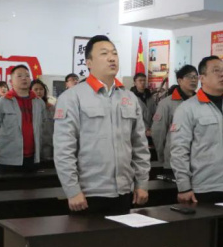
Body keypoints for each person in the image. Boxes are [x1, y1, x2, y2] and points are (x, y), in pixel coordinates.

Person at [53, 35, 150, 215]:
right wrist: (72, 190)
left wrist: (142, 183)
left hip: (124, 191)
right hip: (87, 194)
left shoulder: (129, 97)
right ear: (89, 62)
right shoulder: (72, 97)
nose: (112, 58)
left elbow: (140, 145)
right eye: (104, 54)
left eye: (114, 53)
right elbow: (64, 149)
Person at [170, 56, 223, 203]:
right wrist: (184, 187)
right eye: (216, 71)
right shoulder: (187, 109)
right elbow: (179, 150)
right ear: (202, 78)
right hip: (201, 189)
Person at [0, 66, 46, 172]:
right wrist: (2, 145)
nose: (24, 78)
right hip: (7, 160)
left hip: (32, 159)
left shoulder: (39, 102)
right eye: (19, 76)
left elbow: (43, 126)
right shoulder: (1, 102)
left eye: (27, 76)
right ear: (11, 81)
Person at [151, 65, 198, 171]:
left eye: (195, 76)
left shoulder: (201, 103)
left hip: (198, 162)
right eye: (189, 76)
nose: (193, 80)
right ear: (179, 80)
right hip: (175, 161)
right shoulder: (166, 104)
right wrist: (163, 155)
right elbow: (158, 133)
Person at [30, 78, 55, 162]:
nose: (39, 91)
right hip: (31, 146)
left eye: (41, 89)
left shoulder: (51, 107)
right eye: (36, 89)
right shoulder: (27, 107)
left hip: (48, 146)